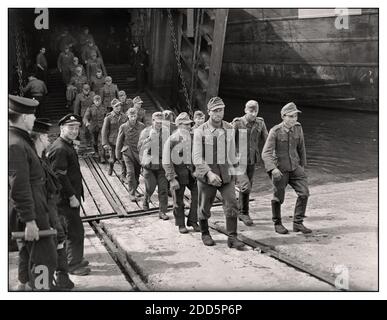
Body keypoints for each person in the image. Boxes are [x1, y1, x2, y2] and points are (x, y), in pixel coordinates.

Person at [8, 95, 57, 290]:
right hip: (33, 213)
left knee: (30, 255)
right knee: (45, 260)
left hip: (34, 209)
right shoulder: (15, 145)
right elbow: (19, 186)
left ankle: (27, 287)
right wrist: (29, 220)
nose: (34, 119)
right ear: (23, 117)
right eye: (32, 115)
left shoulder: (18, 140)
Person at [192, 97, 245, 250]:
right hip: (207, 177)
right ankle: (205, 233)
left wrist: (238, 174)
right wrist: (209, 174)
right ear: (209, 112)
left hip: (226, 175)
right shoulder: (199, 131)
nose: (218, 113)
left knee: (232, 203)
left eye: (221, 110)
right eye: (215, 110)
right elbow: (197, 157)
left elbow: (232, 153)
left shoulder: (229, 128)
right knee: (204, 207)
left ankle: (232, 237)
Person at [30, 119, 74, 290]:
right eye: (46, 137)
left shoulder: (41, 158)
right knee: (43, 254)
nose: (48, 140)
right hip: (43, 214)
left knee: (59, 244)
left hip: (52, 210)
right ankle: (42, 288)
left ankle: (61, 279)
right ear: (39, 138)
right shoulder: (33, 162)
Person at [46, 114, 91, 276]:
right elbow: (59, 176)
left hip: (68, 197)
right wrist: (72, 196)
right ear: (61, 128)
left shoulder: (66, 144)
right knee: (74, 231)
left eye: (76, 128)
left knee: (71, 229)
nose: (74, 131)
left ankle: (74, 257)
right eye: (70, 128)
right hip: (65, 199)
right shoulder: (60, 148)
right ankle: (73, 264)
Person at [261, 102, 312, 234]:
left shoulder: (298, 128)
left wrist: (302, 166)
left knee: (304, 193)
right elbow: (266, 153)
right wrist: (273, 169)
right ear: (283, 116)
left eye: (295, 116)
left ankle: (298, 223)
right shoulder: (275, 131)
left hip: (295, 167)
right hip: (280, 169)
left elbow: (301, 147)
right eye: (291, 116)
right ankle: (277, 223)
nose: (294, 119)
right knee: (278, 197)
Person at [232, 100, 268, 226]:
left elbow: (267, 140)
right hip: (237, 161)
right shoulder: (237, 123)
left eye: (255, 111)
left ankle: (242, 212)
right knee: (245, 185)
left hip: (252, 160)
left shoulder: (260, 123)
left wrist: (272, 157)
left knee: (247, 187)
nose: (253, 114)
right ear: (245, 110)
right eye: (251, 111)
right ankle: (242, 212)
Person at [162, 112, 200, 234]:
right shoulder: (172, 140)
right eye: (186, 125)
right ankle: (181, 224)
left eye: (189, 124)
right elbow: (166, 160)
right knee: (178, 201)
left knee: (198, 195)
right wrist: (172, 178)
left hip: (191, 174)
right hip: (178, 175)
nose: (189, 127)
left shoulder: (192, 137)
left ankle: (193, 220)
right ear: (179, 125)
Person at [138, 112, 170, 219]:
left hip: (162, 165)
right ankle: (146, 199)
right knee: (150, 187)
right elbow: (140, 147)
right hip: (149, 164)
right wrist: (149, 139)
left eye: (161, 122)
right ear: (152, 121)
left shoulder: (166, 131)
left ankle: (162, 211)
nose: (159, 124)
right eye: (157, 122)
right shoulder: (146, 131)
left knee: (163, 188)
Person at [116, 107, 146, 200]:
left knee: (137, 173)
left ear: (137, 116)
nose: (133, 118)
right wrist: (118, 155)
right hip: (127, 152)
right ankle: (131, 193)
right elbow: (119, 141)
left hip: (138, 153)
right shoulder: (123, 127)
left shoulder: (142, 126)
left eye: (134, 116)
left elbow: (145, 140)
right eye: (131, 116)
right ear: (128, 116)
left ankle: (135, 189)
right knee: (130, 173)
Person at [101, 99, 128, 176]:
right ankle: (111, 167)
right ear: (113, 107)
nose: (118, 107)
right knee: (112, 159)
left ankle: (123, 175)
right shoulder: (108, 117)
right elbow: (104, 131)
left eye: (119, 106)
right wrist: (104, 143)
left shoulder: (124, 116)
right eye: (116, 106)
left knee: (123, 159)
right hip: (113, 141)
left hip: (122, 140)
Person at [83, 95, 107, 163]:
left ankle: (102, 156)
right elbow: (85, 117)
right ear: (94, 101)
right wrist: (87, 122)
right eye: (96, 101)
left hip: (102, 127)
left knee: (101, 141)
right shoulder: (90, 108)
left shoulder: (104, 108)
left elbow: (107, 117)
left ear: (100, 101)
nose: (97, 102)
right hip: (93, 127)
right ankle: (96, 151)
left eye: (98, 100)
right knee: (94, 141)